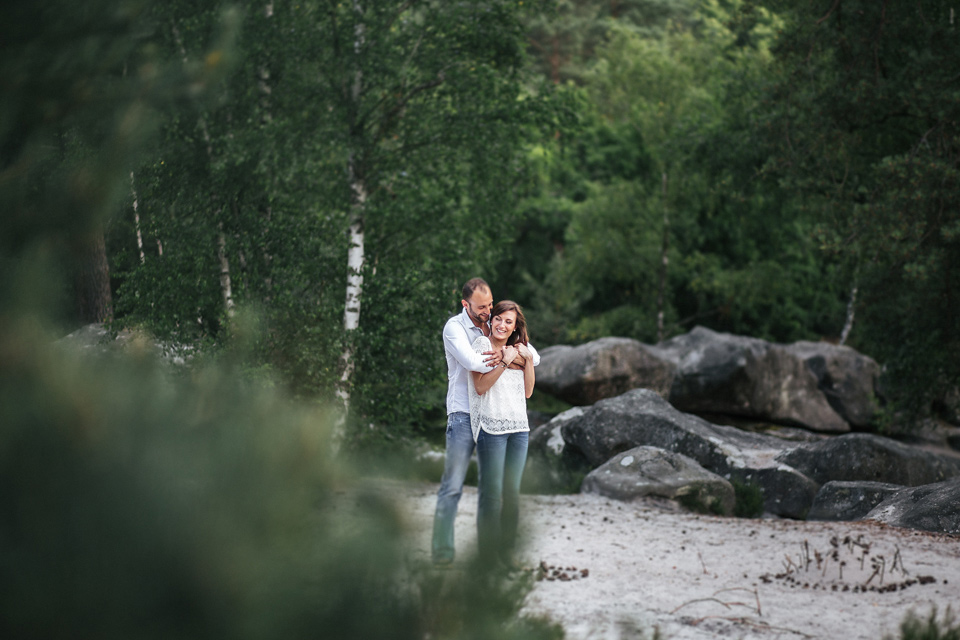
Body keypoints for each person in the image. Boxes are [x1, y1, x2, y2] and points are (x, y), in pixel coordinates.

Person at [432, 278, 538, 566]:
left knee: (504, 491)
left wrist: (519, 354)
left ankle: (501, 554)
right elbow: (475, 363)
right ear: (465, 304)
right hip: (463, 413)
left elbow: (534, 357)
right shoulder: (456, 328)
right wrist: (510, 356)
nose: (489, 312)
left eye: (491, 305)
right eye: (483, 307)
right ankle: (443, 553)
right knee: (454, 485)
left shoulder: (495, 325)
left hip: (504, 417)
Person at [468, 300, 534, 569]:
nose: (502, 325)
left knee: (512, 494)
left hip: (519, 429)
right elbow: (481, 387)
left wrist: (526, 359)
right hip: (492, 429)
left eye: (509, 321)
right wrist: (505, 363)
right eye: (498, 319)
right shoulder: (481, 347)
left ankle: (507, 554)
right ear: (491, 320)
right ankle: (486, 558)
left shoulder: (521, 351)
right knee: (491, 495)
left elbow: (529, 392)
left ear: (515, 326)